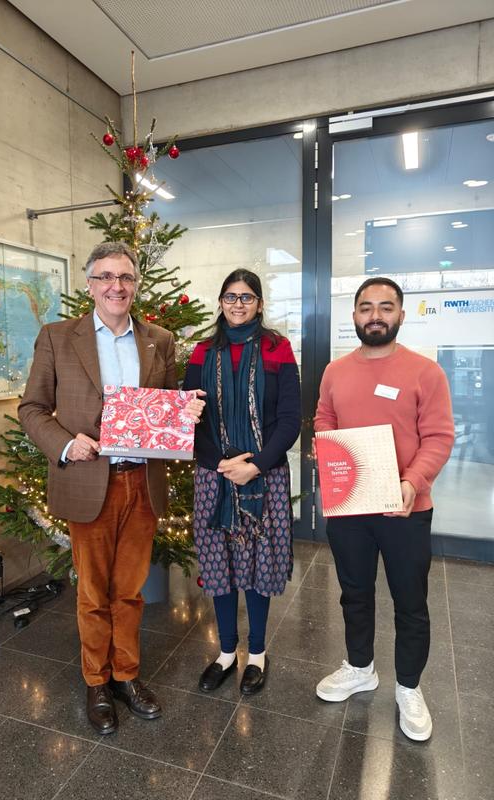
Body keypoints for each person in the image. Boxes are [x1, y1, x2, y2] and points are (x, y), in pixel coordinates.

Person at [18, 241, 204, 735]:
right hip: (87, 482)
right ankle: (95, 682)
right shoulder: (59, 337)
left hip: (141, 483)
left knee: (130, 591)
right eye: (105, 277)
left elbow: (165, 407)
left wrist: (184, 413)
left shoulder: (158, 340)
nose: (115, 286)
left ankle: (126, 674)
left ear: (135, 283)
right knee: (93, 594)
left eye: (124, 277)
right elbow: (31, 409)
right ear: (90, 284)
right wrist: (63, 443)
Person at [314, 276, 454, 741]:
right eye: (367, 307)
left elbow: (439, 436)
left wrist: (413, 482)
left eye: (386, 307)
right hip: (350, 507)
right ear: (354, 315)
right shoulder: (335, 371)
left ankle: (409, 688)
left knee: (410, 602)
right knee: (354, 593)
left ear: (400, 314)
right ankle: (360, 667)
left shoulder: (424, 372)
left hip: (406, 510)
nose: (376, 315)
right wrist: (325, 446)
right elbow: (324, 418)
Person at [183, 269, 301, 695]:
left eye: (247, 297)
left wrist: (257, 465)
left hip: (263, 475)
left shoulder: (277, 349)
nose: (238, 304)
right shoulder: (201, 353)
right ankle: (226, 652)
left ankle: (256, 655)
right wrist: (219, 463)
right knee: (220, 565)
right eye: (230, 297)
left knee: (258, 566)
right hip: (214, 475)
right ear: (220, 301)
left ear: (260, 304)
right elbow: (189, 420)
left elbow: (290, 419)